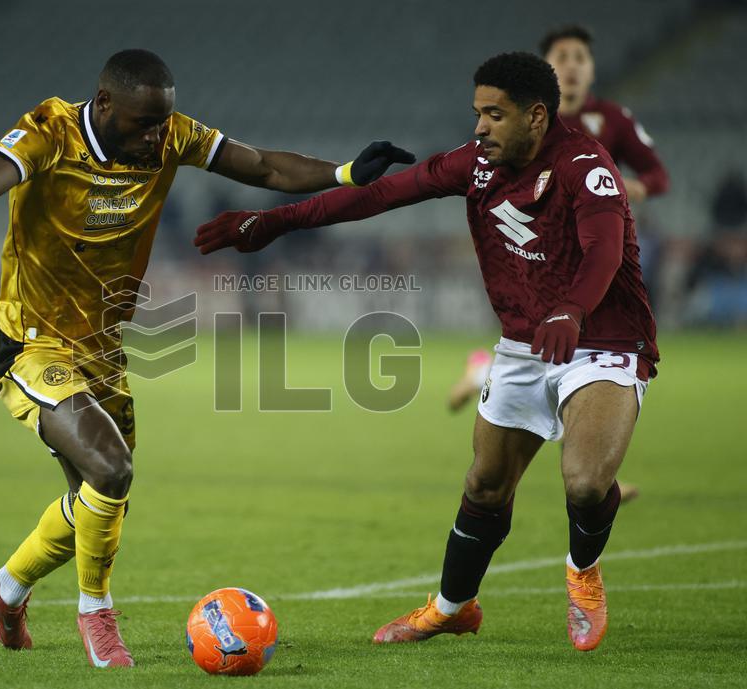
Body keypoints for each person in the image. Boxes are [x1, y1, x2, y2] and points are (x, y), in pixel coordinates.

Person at [0, 49, 414, 668]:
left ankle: (4, 591)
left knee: (95, 497)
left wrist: (348, 172)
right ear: (106, 104)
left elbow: (267, 168)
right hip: (30, 341)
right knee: (111, 470)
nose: (154, 135)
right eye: (143, 123)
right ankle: (98, 617)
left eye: (161, 122)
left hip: (102, 348)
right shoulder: (52, 129)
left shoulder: (173, 135)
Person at [194, 52, 658, 653]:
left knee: (586, 483)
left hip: (603, 337)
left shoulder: (585, 165)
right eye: (477, 113)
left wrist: (573, 307)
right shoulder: (476, 167)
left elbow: (604, 250)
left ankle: (582, 573)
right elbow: (376, 197)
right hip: (523, 345)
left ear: (537, 116)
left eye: (495, 115)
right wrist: (274, 223)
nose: (479, 127)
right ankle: (451, 609)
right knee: (486, 485)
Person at [446, 25, 669, 505]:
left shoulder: (609, 122)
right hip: (531, 258)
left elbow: (657, 174)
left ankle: (583, 464)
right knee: (534, 346)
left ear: (592, 68)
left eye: (581, 57)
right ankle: (486, 375)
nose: (572, 66)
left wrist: (630, 188)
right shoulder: (516, 127)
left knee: (567, 355)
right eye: (562, 57)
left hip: (593, 257)